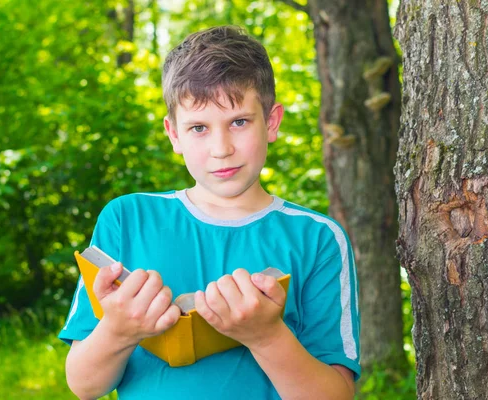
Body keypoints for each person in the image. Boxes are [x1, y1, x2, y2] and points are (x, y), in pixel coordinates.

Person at [59, 25, 360, 400]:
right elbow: (84, 386)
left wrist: (266, 336)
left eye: (239, 122)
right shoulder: (126, 219)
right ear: (173, 135)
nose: (221, 148)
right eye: (199, 127)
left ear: (272, 122)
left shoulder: (317, 238)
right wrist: (119, 330)